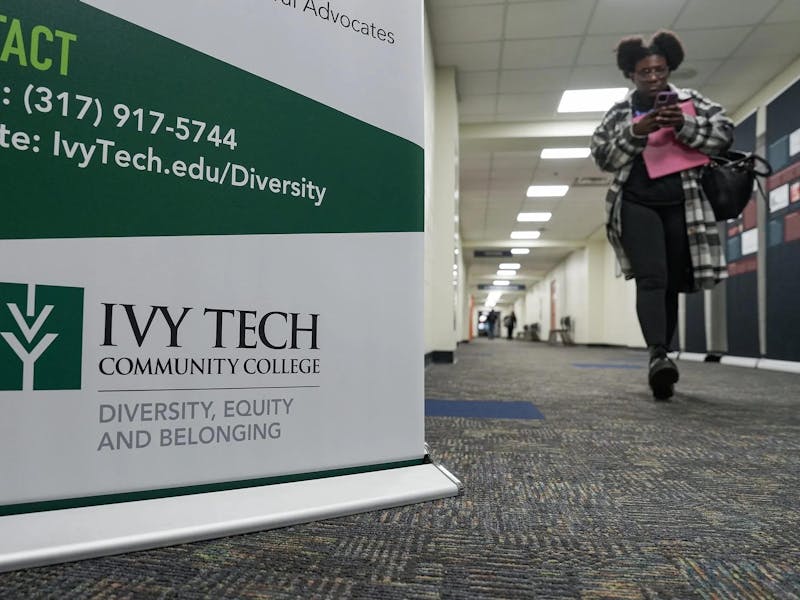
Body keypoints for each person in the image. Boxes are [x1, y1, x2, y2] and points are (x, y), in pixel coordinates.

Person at [590, 30, 733, 400]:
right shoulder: (620, 113)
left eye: (659, 70)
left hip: (683, 205)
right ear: (631, 75)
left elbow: (724, 133)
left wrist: (684, 125)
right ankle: (657, 355)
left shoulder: (691, 101)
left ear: (669, 69)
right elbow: (603, 155)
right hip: (637, 202)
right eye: (644, 73)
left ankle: (663, 355)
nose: (653, 78)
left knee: (670, 282)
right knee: (651, 278)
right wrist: (636, 132)